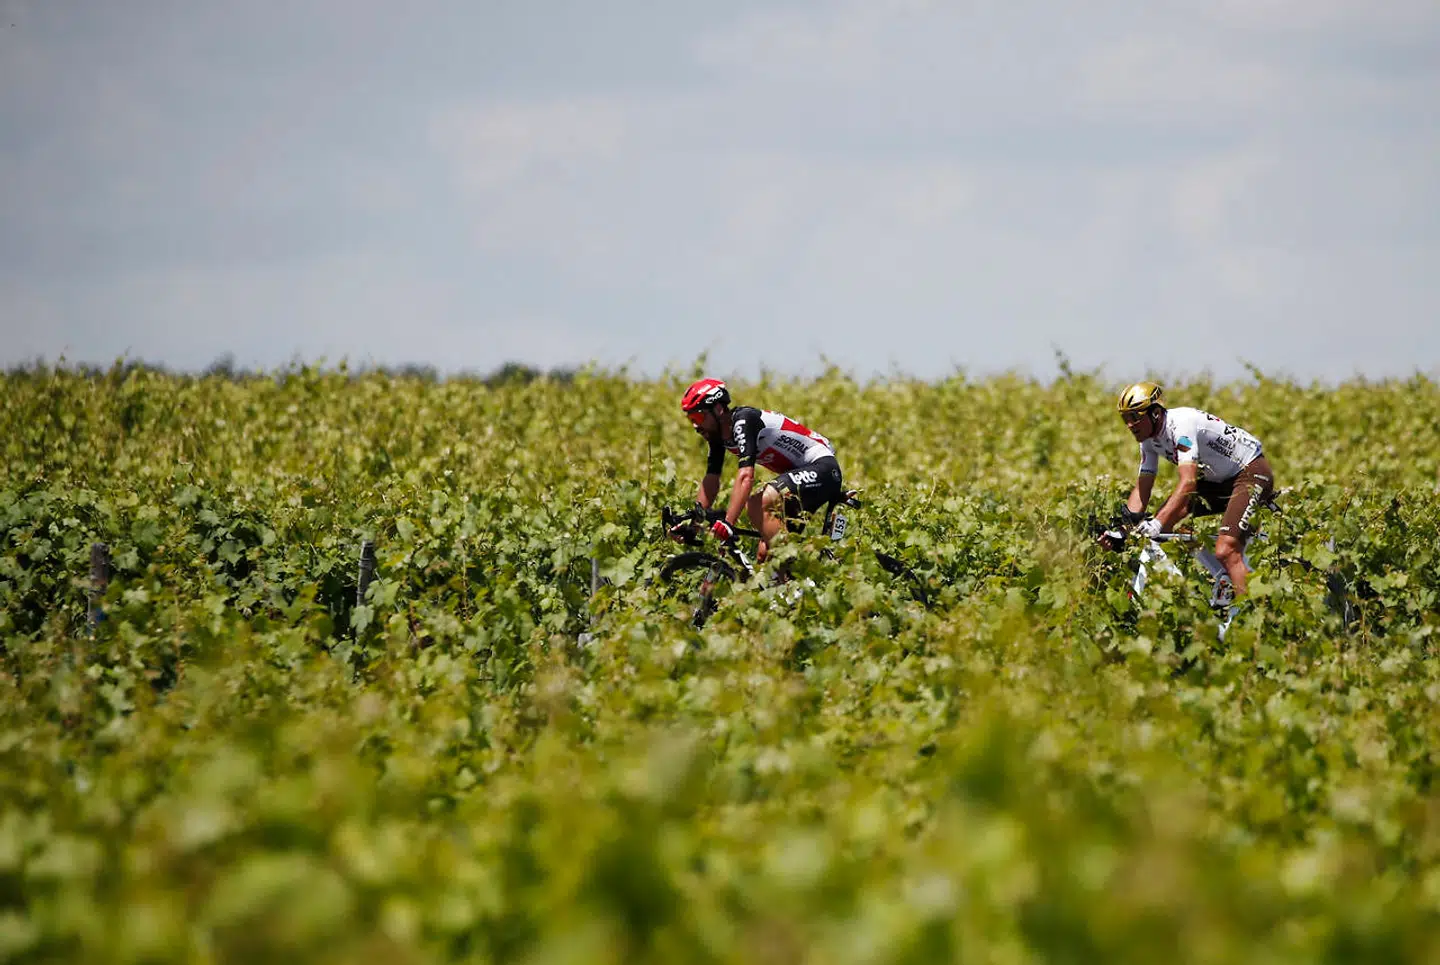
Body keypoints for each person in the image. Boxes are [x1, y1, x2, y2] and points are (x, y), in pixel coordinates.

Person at [1112, 381, 1275, 596]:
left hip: (1250, 473)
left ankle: (1249, 613)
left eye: (1134, 417)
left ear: (1155, 413)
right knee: (1161, 534)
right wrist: (1124, 529)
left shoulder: (1182, 425)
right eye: (1125, 419)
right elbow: (1142, 490)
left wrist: (1158, 522)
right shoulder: (1148, 441)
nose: (1130, 425)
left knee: (1226, 550)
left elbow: (1188, 482)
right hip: (1215, 482)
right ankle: (1207, 589)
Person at [676, 378, 843, 562]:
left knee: (757, 503)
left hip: (823, 467)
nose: (695, 425)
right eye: (690, 419)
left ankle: (799, 567)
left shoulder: (743, 420)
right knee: (765, 556)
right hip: (801, 478)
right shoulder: (717, 436)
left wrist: (728, 524)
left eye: (698, 417)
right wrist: (694, 525)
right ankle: (795, 584)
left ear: (718, 409)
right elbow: (711, 481)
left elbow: (746, 476)